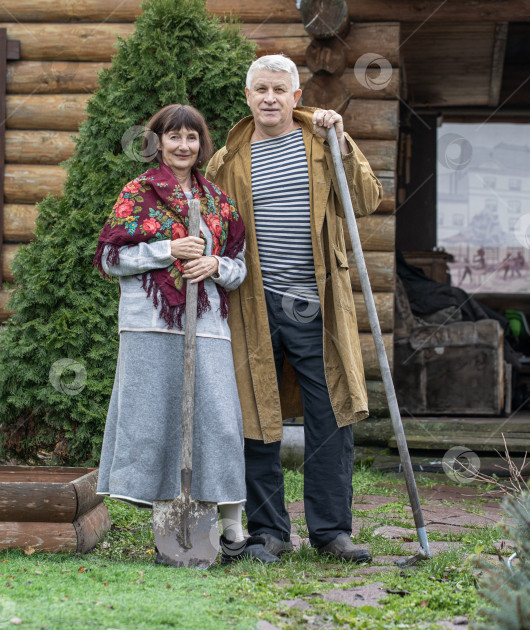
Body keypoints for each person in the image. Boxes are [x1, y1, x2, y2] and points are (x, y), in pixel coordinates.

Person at [206, 54, 383, 563]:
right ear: (247, 97)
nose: (269, 98)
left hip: (316, 304)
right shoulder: (227, 158)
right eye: (260, 89)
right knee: (256, 414)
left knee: (331, 415)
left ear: (296, 97)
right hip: (251, 305)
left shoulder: (323, 142)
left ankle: (331, 532)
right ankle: (269, 532)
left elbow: (367, 199)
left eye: (279, 90)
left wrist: (342, 139)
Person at [94, 104, 261, 563]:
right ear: (157, 142)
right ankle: (166, 520)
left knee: (220, 423)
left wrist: (215, 265)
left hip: (206, 325)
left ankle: (232, 530)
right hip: (149, 325)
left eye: (191, 138)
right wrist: (166, 249)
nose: (183, 146)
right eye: (174, 137)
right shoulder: (138, 192)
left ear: (201, 144)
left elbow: (239, 267)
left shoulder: (217, 201)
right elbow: (110, 260)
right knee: (155, 422)